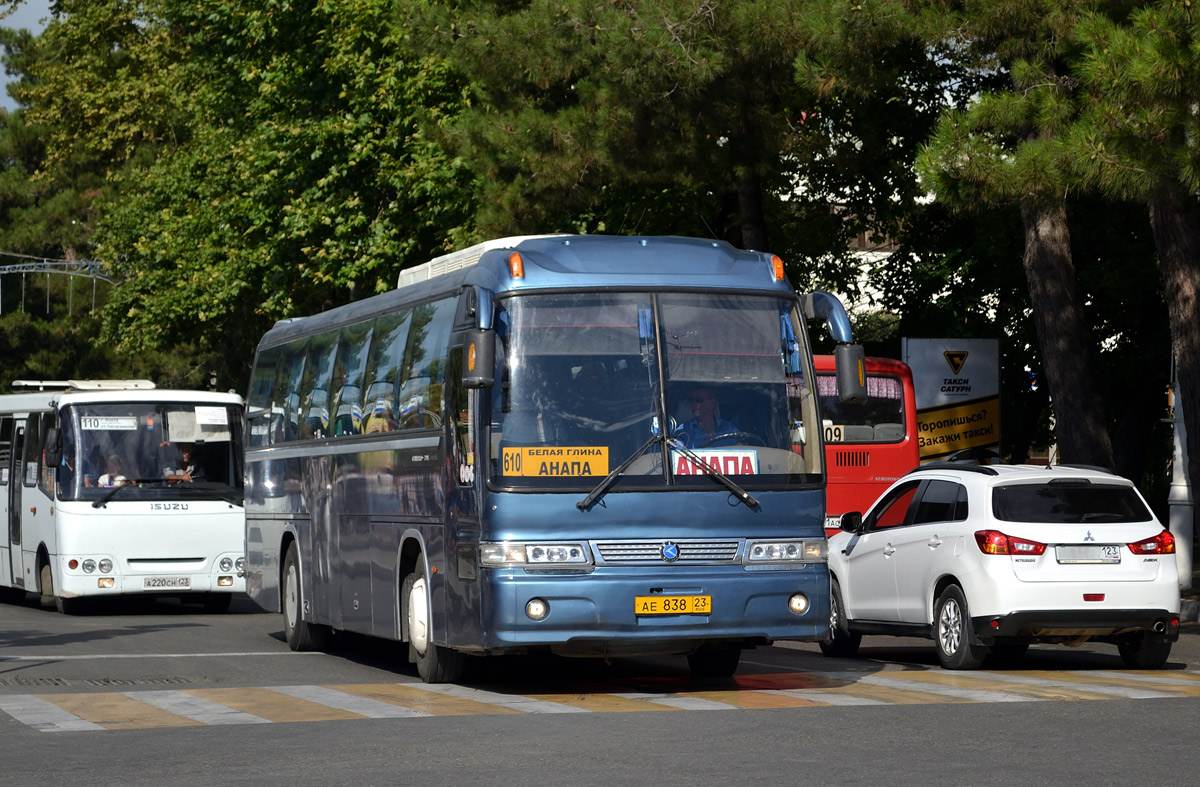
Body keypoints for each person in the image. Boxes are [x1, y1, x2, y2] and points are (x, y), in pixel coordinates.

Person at [673, 386, 739, 448]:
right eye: (691, 400)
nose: (694, 404)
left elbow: (743, 448)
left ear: (712, 403)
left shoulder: (728, 428)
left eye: (699, 400)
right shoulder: (684, 430)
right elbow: (675, 453)